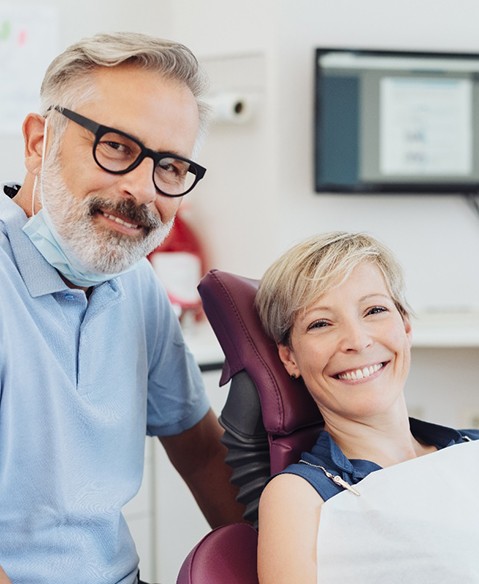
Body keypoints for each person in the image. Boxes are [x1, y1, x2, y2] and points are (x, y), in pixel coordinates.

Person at [0, 32, 244, 584]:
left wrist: (280, 565)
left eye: (172, 168)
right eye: (115, 147)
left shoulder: (135, 286)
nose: (142, 189)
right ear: (40, 142)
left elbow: (203, 453)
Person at [254, 232, 479, 584]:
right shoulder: (298, 497)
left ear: (405, 327)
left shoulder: (470, 450)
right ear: (289, 357)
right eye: (321, 324)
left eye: (374, 310)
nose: (357, 341)